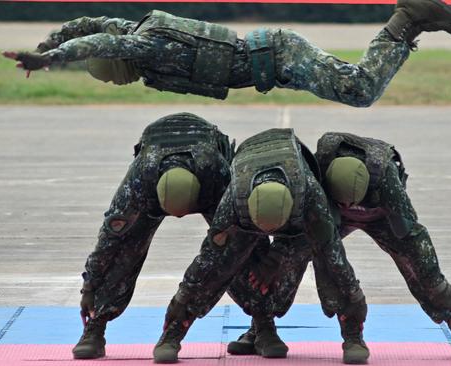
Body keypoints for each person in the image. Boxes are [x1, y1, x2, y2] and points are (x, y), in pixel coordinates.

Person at [228, 131, 451, 360]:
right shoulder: (318, 170)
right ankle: (261, 329)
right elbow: (303, 224)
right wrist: (274, 261)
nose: (351, 208)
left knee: (424, 273)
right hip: (330, 215)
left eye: (352, 203)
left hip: (382, 217)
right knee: (284, 262)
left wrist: (424, 269)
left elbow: (410, 231)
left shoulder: (386, 180)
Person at [152, 128, 371, 364]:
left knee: (327, 264)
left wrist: (277, 258)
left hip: (296, 222)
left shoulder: (310, 196)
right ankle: (175, 333)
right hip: (247, 212)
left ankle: (353, 336)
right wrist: (179, 308)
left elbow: (335, 258)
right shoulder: (233, 199)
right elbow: (208, 260)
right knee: (223, 263)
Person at [2, 0, 451, 107]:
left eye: (114, 77)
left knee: (360, 91)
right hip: (274, 55)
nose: (118, 82)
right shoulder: (137, 29)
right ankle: (416, 20)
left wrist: (49, 60)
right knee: (359, 88)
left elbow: (97, 41)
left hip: (280, 55)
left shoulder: (145, 46)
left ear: (124, 65)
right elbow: (90, 24)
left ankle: (406, 18)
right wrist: (47, 43)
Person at [72, 112, 234, 359]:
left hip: (204, 174)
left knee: (235, 248)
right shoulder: (139, 182)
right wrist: (90, 286)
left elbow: (224, 245)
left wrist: (184, 298)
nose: (179, 218)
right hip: (153, 179)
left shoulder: (217, 175)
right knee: (123, 249)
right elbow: (109, 241)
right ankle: (96, 326)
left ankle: (259, 324)